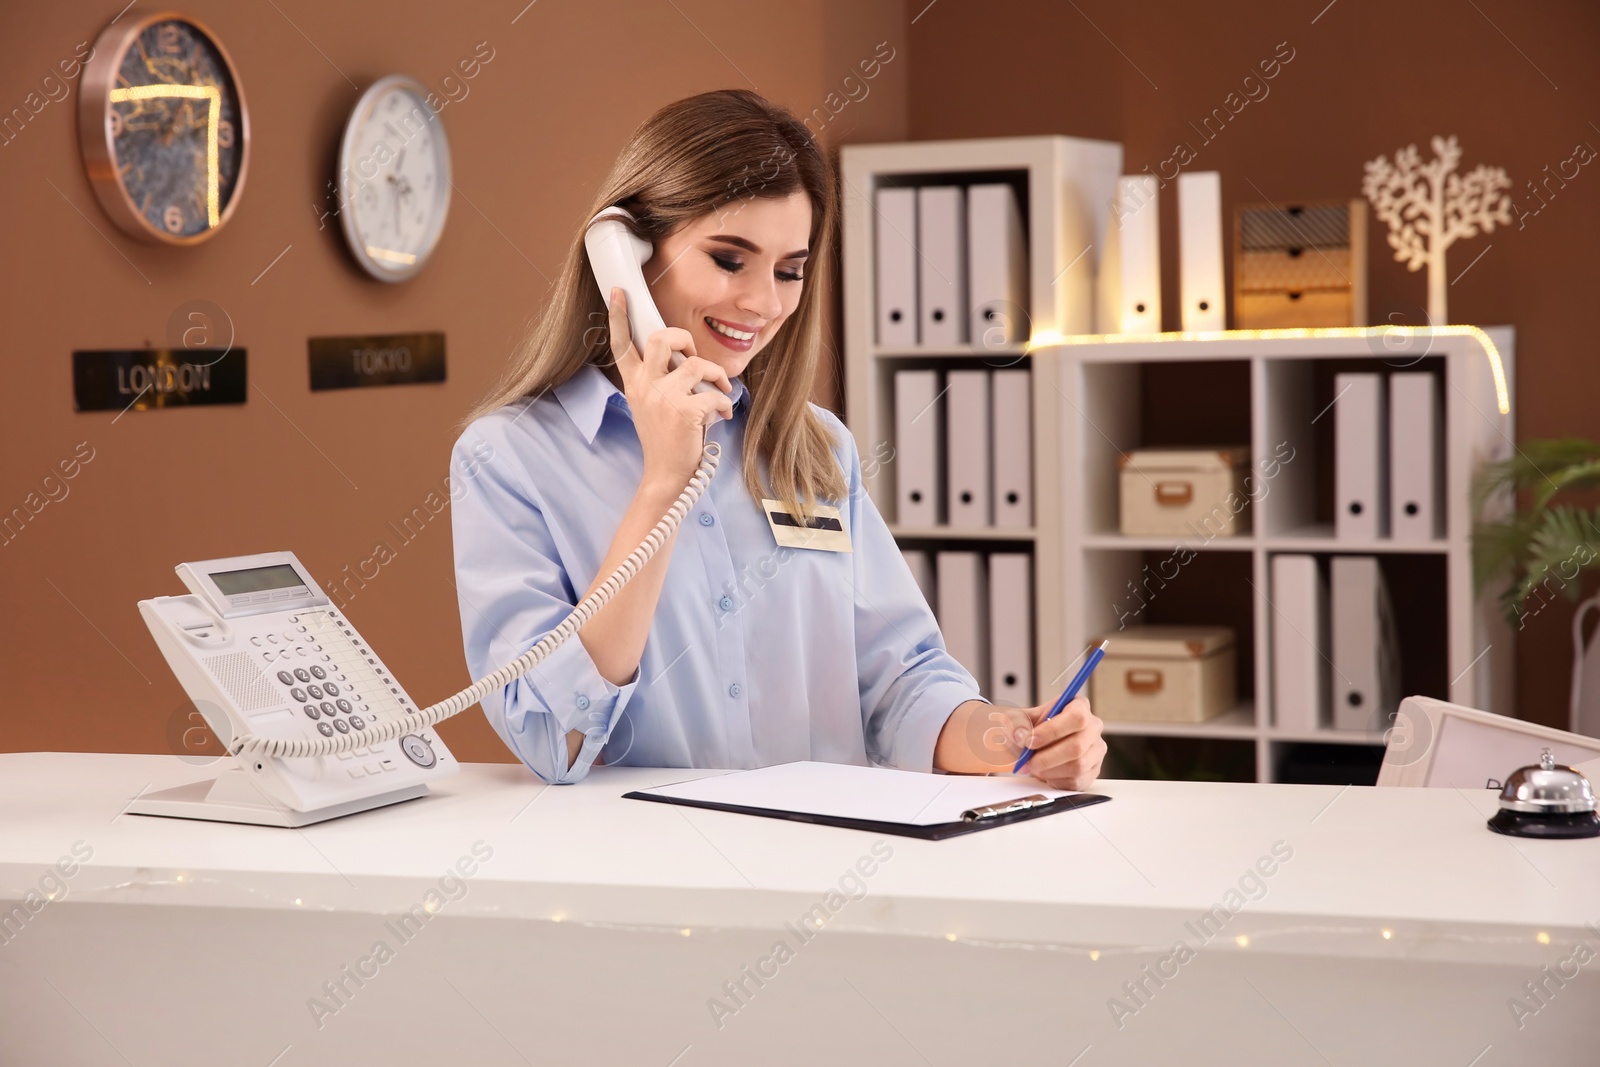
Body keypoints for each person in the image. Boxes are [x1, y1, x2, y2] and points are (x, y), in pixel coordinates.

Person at [449, 88, 1105, 788]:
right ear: (627, 254)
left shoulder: (817, 447)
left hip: (827, 869)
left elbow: (901, 682)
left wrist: (1011, 738)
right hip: (646, 879)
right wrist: (665, 480)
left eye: (789, 270)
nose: (762, 303)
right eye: (730, 260)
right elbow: (556, 738)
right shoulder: (507, 459)